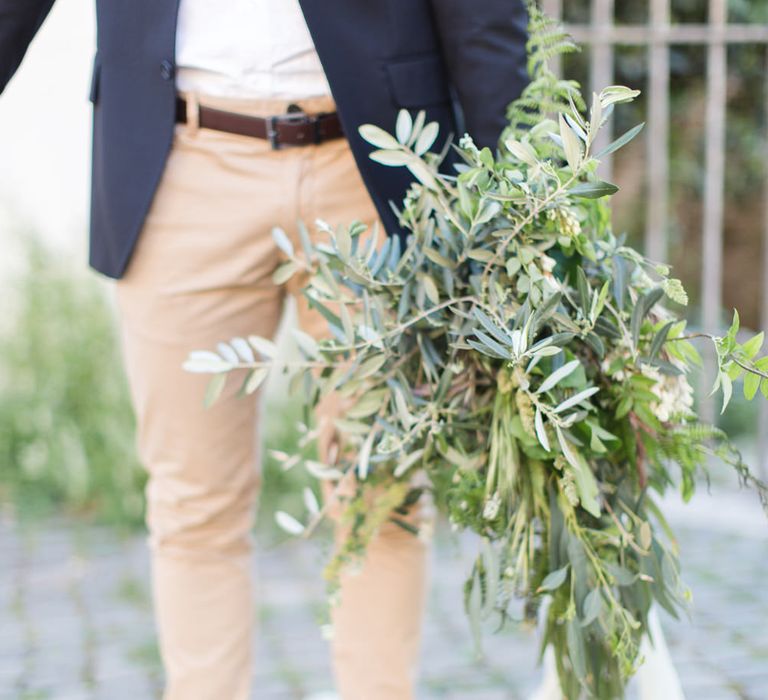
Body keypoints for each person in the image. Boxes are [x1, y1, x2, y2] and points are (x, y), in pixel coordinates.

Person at [0, 2, 529, 699]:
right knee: (193, 505)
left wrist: (519, 199)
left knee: (382, 491)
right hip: (178, 159)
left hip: (377, 164)